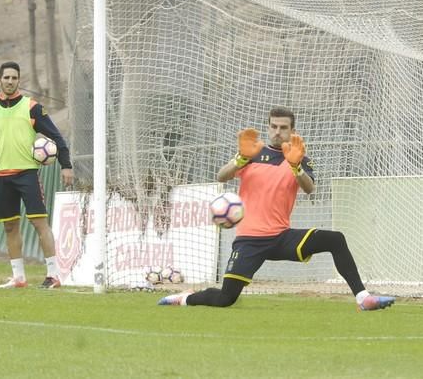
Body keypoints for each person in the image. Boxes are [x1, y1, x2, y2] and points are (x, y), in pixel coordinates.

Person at [158, 106, 396, 311]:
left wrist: (296, 168)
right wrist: (240, 159)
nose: (277, 132)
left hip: (281, 236)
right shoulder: (252, 152)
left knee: (335, 239)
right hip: (249, 240)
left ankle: (363, 298)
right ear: (268, 127)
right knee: (225, 298)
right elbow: (221, 176)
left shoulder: (298, 156)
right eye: (273, 126)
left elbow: (310, 188)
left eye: (283, 128)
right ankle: (185, 298)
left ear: (292, 130)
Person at [0, 61, 74, 289]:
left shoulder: (32, 107)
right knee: (9, 227)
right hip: (1, 176)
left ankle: (54, 275)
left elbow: (57, 137)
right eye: (6, 78)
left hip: (27, 174)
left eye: (14, 78)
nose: (10, 81)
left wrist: (66, 165)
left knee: (39, 223)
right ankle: (18, 277)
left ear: (19, 81)